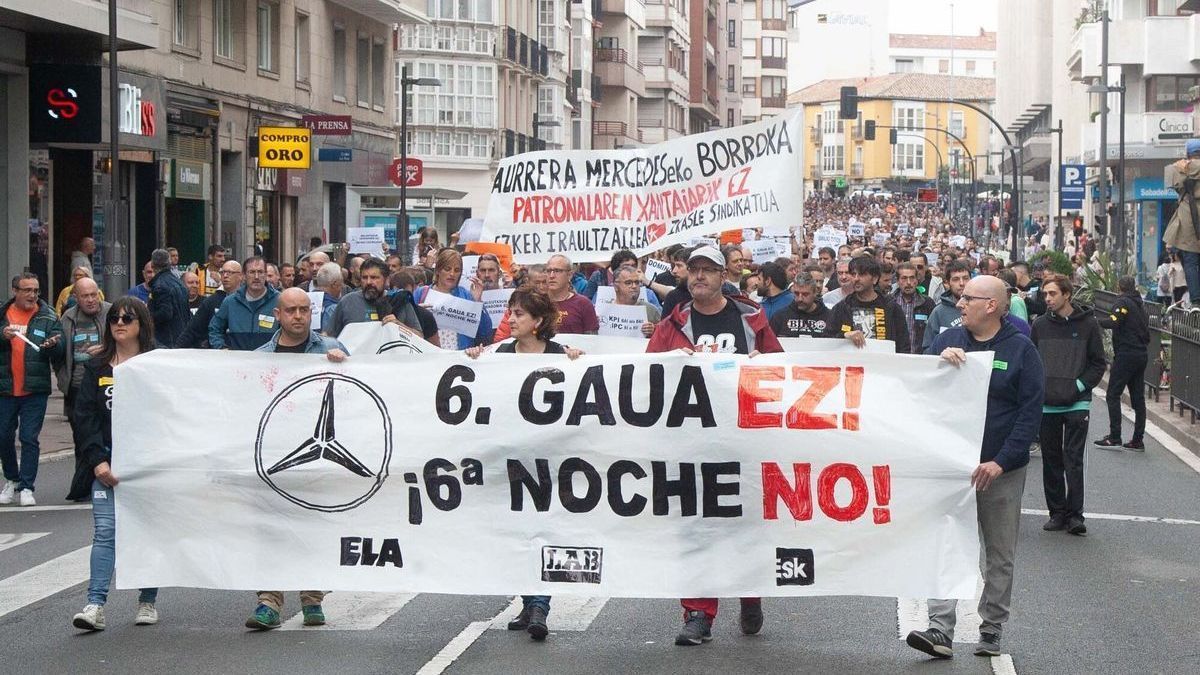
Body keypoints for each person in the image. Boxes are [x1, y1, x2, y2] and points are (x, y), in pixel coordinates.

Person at [645, 246, 782, 646]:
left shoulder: (751, 318)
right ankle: (698, 614)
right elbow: (647, 371)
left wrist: (762, 362)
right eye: (694, 269)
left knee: (745, 525)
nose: (699, 276)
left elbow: (780, 369)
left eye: (708, 270)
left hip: (743, 441)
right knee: (696, 528)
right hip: (692, 442)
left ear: (724, 276)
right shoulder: (674, 323)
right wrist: (672, 360)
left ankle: (750, 593)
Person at [906, 276, 1045, 660]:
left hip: (999, 470)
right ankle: (939, 628)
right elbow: (918, 390)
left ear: (992, 306)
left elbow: (1029, 415)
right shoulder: (947, 340)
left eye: (968, 298)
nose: (960, 302)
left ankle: (992, 626)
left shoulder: (1021, 351)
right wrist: (937, 365)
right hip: (953, 467)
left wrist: (1001, 463)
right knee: (945, 543)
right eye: (960, 296)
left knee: (999, 551)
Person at [465, 288, 583, 641]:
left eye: (518, 314)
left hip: (549, 462)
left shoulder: (561, 356)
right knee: (517, 531)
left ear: (539, 322)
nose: (511, 319)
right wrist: (475, 359)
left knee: (543, 527)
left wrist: (579, 363)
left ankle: (540, 605)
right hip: (510, 461)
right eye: (510, 313)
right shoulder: (500, 354)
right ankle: (529, 601)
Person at [246, 288, 348, 630]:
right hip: (276, 455)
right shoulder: (261, 357)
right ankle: (268, 601)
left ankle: (312, 597)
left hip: (321, 461)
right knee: (272, 529)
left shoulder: (331, 349)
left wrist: (345, 366)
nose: (299, 316)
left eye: (304, 309)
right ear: (278, 315)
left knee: (313, 527)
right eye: (291, 310)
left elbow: (357, 395)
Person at [70, 298, 161, 631]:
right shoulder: (96, 367)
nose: (119, 323)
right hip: (107, 462)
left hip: (147, 465)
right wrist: (97, 462)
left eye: (127, 318)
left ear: (142, 324)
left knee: (147, 532)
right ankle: (95, 604)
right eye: (114, 319)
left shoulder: (157, 364)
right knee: (106, 532)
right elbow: (84, 418)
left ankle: (147, 600)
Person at [1031, 274, 1107, 536]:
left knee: (1073, 460)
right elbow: (1032, 362)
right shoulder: (1039, 325)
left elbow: (1098, 363)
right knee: (1051, 460)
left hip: (1077, 404)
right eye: (1045, 294)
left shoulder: (1088, 325)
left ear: (1067, 294)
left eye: (1052, 294)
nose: (1048, 299)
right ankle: (1057, 513)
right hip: (1047, 405)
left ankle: (1075, 515)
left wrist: (1077, 387)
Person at [0, 273, 64, 506]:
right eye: (27, 290)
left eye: (36, 290)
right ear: (15, 291)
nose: (32, 295)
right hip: (5, 388)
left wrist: (53, 346)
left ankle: (27, 486)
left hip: (34, 389)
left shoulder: (47, 316)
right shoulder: (2, 314)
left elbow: (60, 347)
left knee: (29, 438)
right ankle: (11, 479)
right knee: (3, 436)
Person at [56, 278, 111, 501]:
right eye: (85, 296)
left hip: (106, 383)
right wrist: (62, 379)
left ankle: (89, 484)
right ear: (75, 298)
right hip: (77, 386)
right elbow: (60, 353)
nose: (90, 300)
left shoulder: (112, 312)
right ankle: (84, 483)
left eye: (93, 294)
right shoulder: (68, 318)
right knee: (81, 436)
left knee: (102, 434)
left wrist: (106, 348)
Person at [1094, 276, 1150, 451]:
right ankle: (1137, 440)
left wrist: (1095, 321)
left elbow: (1114, 321)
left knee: (1113, 394)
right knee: (1138, 399)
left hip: (1126, 354)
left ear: (1119, 286)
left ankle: (1115, 436)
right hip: (1141, 354)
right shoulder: (1139, 304)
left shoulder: (1123, 302)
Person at [823, 256, 911, 353]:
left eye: (862, 274)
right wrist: (844, 335)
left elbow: (903, 344)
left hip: (884, 364)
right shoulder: (842, 307)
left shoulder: (891, 308)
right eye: (853, 274)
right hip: (851, 364)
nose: (856, 279)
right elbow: (826, 340)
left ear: (875, 279)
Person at [208, 257, 281, 351]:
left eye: (260, 272)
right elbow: (214, 328)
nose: (256, 277)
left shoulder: (279, 300)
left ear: (266, 275)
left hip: (268, 362)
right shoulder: (230, 302)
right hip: (238, 362)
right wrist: (221, 348)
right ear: (244, 276)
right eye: (252, 272)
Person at [1163, 138, 1200, 303]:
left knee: (1191, 261)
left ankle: (1196, 301)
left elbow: (1170, 179)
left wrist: (1186, 166)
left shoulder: (1178, 169)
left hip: (1189, 219)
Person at [176, 260, 241, 349]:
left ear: (241, 276)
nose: (225, 276)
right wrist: (175, 349)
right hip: (218, 353)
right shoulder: (211, 301)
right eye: (222, 272)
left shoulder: (248, 299)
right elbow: (192, 330)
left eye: (230, 272)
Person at [325, 258, 396, 338]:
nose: (368, 282)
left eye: (374, 277)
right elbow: (328, 336)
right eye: (364, 277)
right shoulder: (348, 302)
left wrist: (399, 326)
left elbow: (413, 335)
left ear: (386, 279)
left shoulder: (398, 302)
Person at [541, 254, 598, 336]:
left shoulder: (583, 304)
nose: (552, 276)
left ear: (570, 275)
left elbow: (592, 338)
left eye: (557, 271)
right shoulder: (537, 302)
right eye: (548, 271)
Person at [923, 260, 973, 353]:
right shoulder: (939, 312)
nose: (962, 283)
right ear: (947, 282)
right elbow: (927, 350)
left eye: (965, 278)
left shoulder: (979, 307)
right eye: (956, 279)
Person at [147, 248, 190, 348]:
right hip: (181, 338)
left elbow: (165, 313)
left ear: (152, 265)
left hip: (167, 340)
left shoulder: (159, 286)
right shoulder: (179, 282)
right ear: (169, 263)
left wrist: (147, 317)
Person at [769, 273, 831, 338]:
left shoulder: (830, 317)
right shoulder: (780, 317)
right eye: (796, 293)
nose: (800, 299)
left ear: (815, 292)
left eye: (805, 294)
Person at [893, 262, 935, 354]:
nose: (908, 283)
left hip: (919, 358)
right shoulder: (890, 303)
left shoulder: (927, 303)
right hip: (895, 357)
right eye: (904, 278)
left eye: (912, 278)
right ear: (897, 280)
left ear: (917, 280)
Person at [607, 266, 661, 337]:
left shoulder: (651, 311)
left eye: (637, 282)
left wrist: (654, 330)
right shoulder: (604, 310)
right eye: (628, 283)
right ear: (616, 286)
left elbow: (664, 338)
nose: (634, 286)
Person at [312, 262, 344, 333]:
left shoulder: (306, 301)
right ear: (335, 284)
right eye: (341, 282)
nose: (342, 286)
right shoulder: (333, 309)